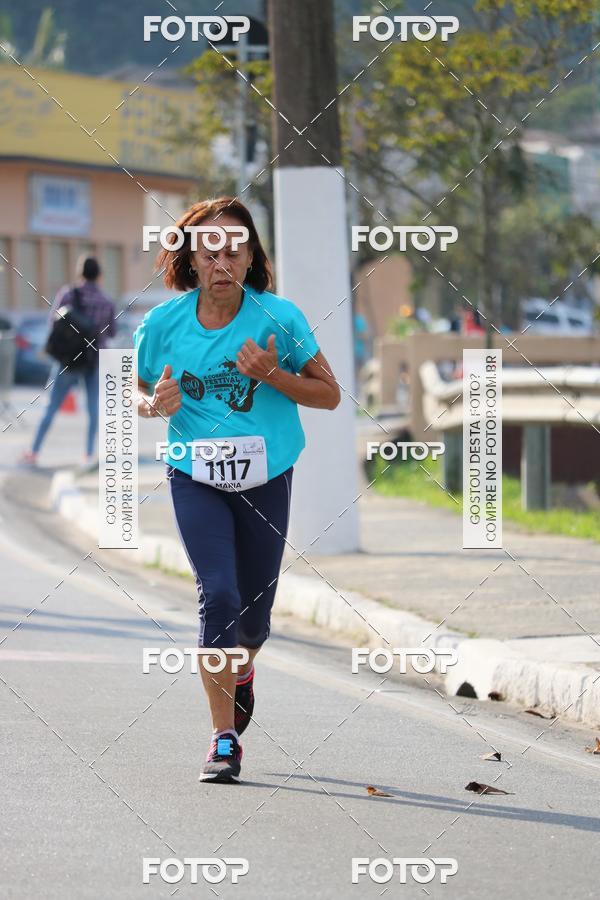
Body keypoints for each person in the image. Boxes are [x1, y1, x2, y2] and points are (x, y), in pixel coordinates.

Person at [134, 197, 340, 783]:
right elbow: (135, 388)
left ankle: (242, 668)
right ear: (192, 260)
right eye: (210, 249)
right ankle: (223, 740)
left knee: (252, 620)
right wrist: (153, 404)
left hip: (266, 475)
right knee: (217, 595)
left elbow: (329, 396)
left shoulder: (280, 318)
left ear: (251, 259)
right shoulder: (163, 325)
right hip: (194, 474)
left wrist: (271, 374)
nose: (223, 260)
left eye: (235, 249)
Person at [21, 256, 116, 466]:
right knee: (93, 410)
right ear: (100, 276)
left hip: (67, 361)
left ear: (79, 273)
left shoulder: (68, 294)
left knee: (51, 407)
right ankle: (88, 454)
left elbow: (52, 322)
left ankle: (34, 452)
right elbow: (111, 333)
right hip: (94, 360)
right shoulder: (107, 301)